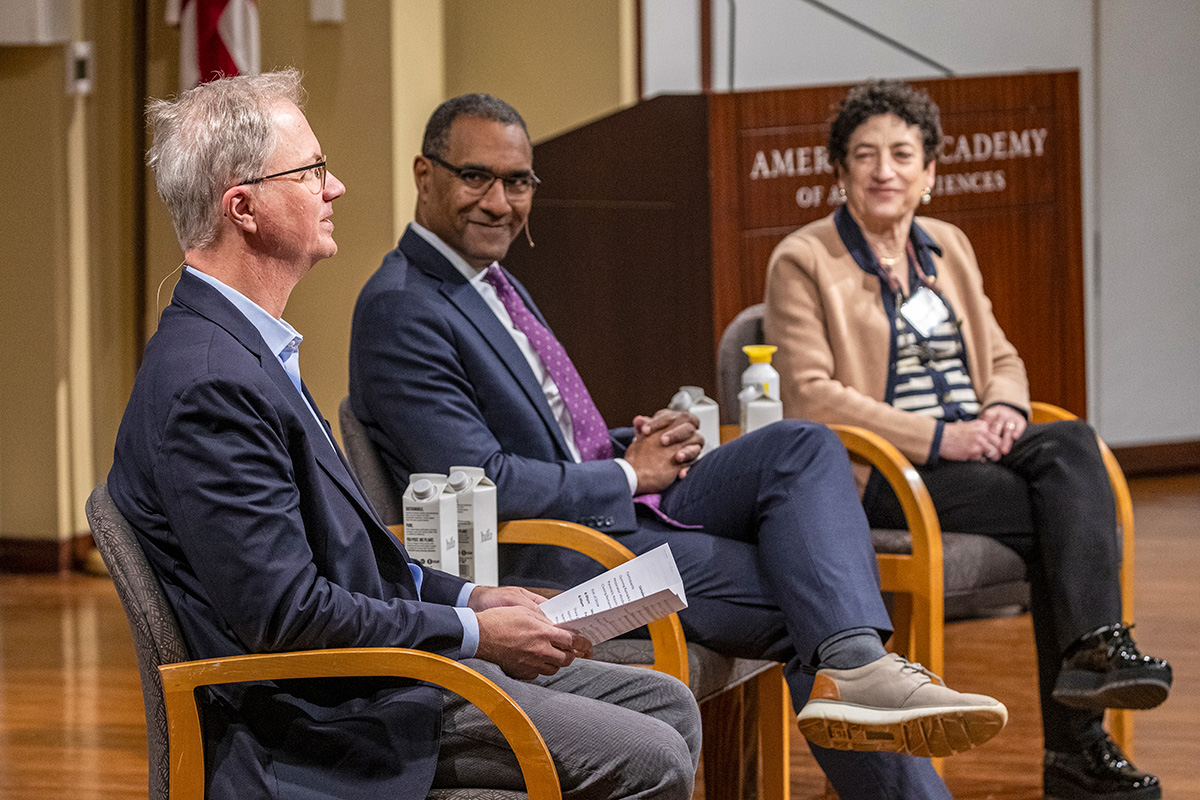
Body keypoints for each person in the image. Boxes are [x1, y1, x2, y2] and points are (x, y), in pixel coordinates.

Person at [348, 92, 1009, 800]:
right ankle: (861, 675)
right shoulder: (403, 305)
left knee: (803, 446)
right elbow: (484, 481)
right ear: (425, 175)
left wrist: (640, 445)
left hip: (608, 504)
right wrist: (630, 473)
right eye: (477, 177)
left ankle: (856, 665)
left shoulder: (488, 280)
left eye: (518, 182)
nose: (501, 202)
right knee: (811, 593)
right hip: (551, 552)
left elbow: (553, 437)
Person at [107, 71, 703, 800]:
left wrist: (475, 599)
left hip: (379, 675)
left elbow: (352, 558)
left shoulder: (247, 350)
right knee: (651, 754)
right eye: (312, 171)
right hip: (325, 719)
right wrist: (476, 636)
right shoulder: (209, 382)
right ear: (244, 207)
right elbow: (287, 617)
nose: (337, 189)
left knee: (667, 702)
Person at [763, 79, 1171, 800]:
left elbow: (1003, 357)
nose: (883, 170)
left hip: (980, 449)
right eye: (864, 156)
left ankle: (1092, 660)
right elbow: (812, 397)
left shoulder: (947, 245)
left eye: (901, 155)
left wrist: (1008, 410)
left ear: (930, 172)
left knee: (1070, 440)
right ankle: (1082, 733)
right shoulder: (804, 258)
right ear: (840, 172)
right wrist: (940, 437)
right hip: (885, 472)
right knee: (1065, 521)